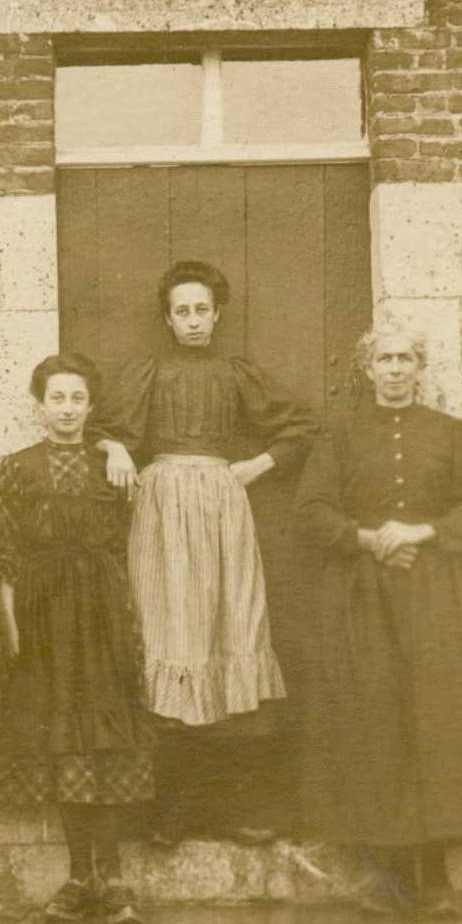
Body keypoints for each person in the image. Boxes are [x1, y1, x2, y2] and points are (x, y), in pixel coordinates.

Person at [294, 324, 462, 914]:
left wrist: (423, 531)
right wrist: (367, 538)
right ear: (368, 368)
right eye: (385, 359)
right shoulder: (341, 436)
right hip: (365, 600)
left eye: (406, 358)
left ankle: (433, 877)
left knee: (438, 721)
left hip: (441, 599)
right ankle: (386, 876)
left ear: (420, 366)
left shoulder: (450, 435)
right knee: (378, 721)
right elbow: (310, 513)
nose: (396, 369)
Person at [91, 260, 317, 843]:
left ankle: (231, 807)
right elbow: (100, 427)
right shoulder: (149, 370)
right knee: (171, 638)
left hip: (221, 507)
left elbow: (300, 430)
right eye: (181, 311)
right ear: (167, 320)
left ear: (217, 314)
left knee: (227, 636)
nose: (193, 321)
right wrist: (116, 449)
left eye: (201, 310)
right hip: (162, 507)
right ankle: (171, 810)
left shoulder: (236, 372)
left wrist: (255, 466)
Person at [0, 353, 153, 924]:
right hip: (44, 615)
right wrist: (11, 627)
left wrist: (114, 447)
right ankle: (79, 876)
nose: (67, 409)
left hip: (102, 613)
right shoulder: (18, 468)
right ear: (40, 403)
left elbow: (133, 540)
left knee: (108, 736)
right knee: (62, 737)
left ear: (91, 406)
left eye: (78, 399)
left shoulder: (113, 466)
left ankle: (115, 875)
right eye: (57, 398)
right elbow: (2, 551)